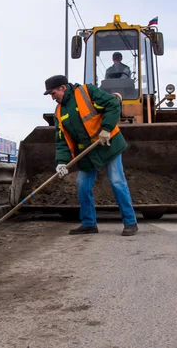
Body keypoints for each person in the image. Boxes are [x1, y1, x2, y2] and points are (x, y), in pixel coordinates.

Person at [43, 74, 138, 236]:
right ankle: (89, 223)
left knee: (117, 181)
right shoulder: (59, 112)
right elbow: (62, 140)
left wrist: (106, 129)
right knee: (82, 186)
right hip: (86, 152)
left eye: (53, 93)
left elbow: (113, 104)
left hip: (108, 145)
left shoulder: (87, 91)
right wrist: (61, 162)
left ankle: (130, 222)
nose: (52, 98)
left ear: (63, 88)